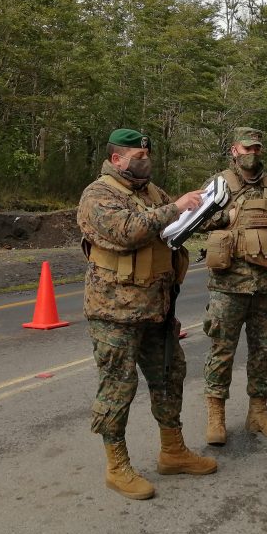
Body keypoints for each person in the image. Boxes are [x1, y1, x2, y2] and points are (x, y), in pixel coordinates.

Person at [77, 128, 216, 500]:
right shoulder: (98, 194)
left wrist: (206, 209)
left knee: (170, 375)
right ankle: (116, 465)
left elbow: (172, 225)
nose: (146, 161)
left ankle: (173, 451)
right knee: (118, 387)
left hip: (156, 307)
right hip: (114, 312)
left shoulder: (152, 193)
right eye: (138, 157)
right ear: (117, 158)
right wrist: (176, 207)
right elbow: (126, 231)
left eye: (148, 155)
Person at [200, 127, 267, 446]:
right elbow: (195, 220)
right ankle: (216, 415)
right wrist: (224, 216)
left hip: (265, 284)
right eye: (247, 148)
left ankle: (258, 412)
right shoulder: (220, 184)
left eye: (257, 148)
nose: (253, 153)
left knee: (262, 352)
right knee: (222, 350)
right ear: (234, 150)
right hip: (228, 285)